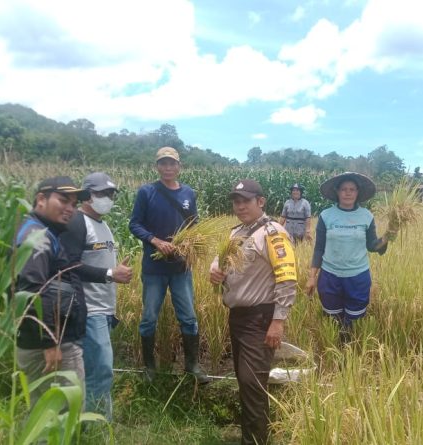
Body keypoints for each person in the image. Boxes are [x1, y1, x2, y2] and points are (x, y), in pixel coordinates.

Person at [209, 179, 297, 445]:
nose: (240, 206)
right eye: (236, 201)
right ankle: (254, 437)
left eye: (245, 201)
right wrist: (215, 272)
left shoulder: (273, 233)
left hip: (260, 319)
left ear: (260, 202)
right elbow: (220, 262)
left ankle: (255, 440)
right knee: (246, 383)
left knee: (252, 384)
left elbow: (287, 278)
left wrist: (278, 321)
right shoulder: (236, 233)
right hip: (238, 317)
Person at [128, 147, 209, 383]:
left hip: (180, 268)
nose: (168, 168)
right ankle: (149, 368)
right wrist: (155, 241)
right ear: (157, 166)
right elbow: (134, 224)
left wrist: (190, 244)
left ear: (179, 166)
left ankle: (192, 365)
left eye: (172, 163)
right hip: (154, 270)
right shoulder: (147, 192)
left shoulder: (188, 193)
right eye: (163, 163)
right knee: (149, 318)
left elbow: (194, 225)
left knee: (189, 317)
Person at [59, 172, 133, 422]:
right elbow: (67, 266)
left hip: (104, 310)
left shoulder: (103, 224)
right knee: (100, 371)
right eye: (102, 193)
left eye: (111, 193)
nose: (108, 198)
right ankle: (96, 427)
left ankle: (91, 422)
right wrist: (110, 274)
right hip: (89, 311)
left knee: (96, 370)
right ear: (87, 196)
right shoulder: (77, 223)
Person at [13, 176, 90, 405]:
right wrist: (49, 342)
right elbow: (32, 290)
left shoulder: (44, 233)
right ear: (41, 199)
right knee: (63, 412)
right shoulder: (36, 237)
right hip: (50, 344)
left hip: (52, 339)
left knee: (46, 411)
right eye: (63, 200)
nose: (70, 209)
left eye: (73, 204)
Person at [304, 172, 390, 344]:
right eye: (344, 189)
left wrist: (387, 237)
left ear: (358, 192)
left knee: (353, 320)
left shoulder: (366, 216)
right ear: (337, 191)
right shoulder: (326, 216)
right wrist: (312, 277)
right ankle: (334, 347)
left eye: (352, 189)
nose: (348, 193)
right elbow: (319, 248)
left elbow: (372, 245)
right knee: (332, 318)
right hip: (330, 276)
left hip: (358, 276)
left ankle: (350, 348)